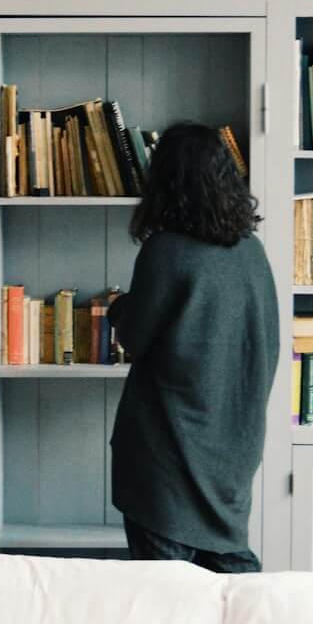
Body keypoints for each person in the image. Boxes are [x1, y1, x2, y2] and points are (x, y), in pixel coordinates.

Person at [108, 122, 279, 572]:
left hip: (167, 446)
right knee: (233, 585)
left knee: (167, 597)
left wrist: (118, 308)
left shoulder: (166, 250)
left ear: (165, 182)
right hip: (234, 443)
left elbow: (133, 338)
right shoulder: (251, 251)